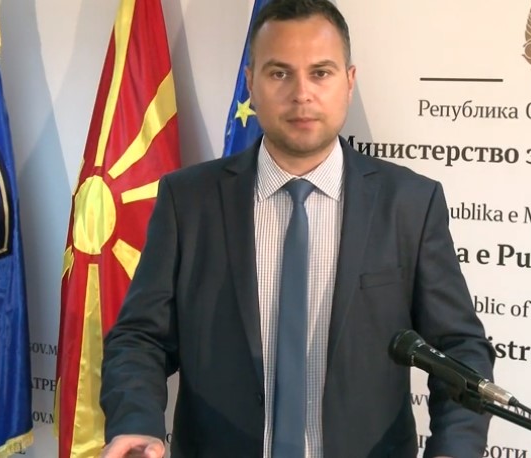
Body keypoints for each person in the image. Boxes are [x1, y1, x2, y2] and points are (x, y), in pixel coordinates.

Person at [100, 0, 495, 457]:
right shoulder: (188, 201)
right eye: (279, 73)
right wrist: (137, 422)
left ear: (349, 81)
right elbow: (140, 337)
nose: (301, 94)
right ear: (251, 82)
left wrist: (454, 449)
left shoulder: (409, 204)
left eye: (321, 73)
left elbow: (460, 347)